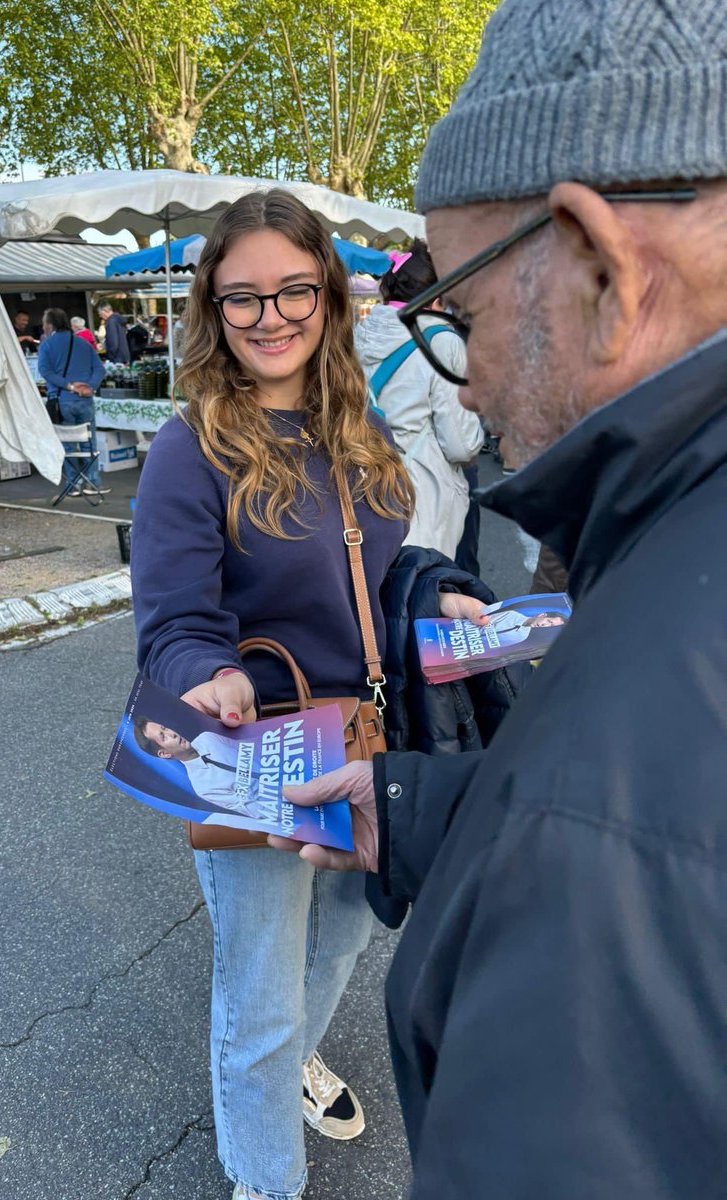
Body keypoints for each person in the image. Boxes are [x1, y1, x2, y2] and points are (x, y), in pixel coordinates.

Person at [268, 2, 727, 1196]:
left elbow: (627, 834)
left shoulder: (601, 810)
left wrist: (533, 824)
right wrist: (443, 809)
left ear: (598, 267)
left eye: (461, 322)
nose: (465, 399)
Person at [131, 189, 483, 1200]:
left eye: (293, 290)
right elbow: (174, 621)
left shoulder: (357, 428)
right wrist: (216, 675)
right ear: (215, 309)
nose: (271, 316)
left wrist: (442, 595)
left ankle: (287, 1071)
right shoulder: (189, 447)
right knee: (262, 994)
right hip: (259, 755)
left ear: (327, 295)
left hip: (365, 745)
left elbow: (383, 575)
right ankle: (264, 1182)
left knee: (343, 939)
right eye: (244, 299)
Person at [354, 240, 483, 560]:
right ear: (437, 298)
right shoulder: (441, 340)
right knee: (429, 596)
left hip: (364, 492)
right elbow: (461, 444)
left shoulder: (359, 334)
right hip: (422, 502)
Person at [133, 716, 272, 820]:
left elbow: (252, 745)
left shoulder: (207, 738)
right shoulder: (203, 787)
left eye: (165, 728)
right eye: (164, 737)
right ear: (164, 753)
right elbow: (254, 810)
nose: (172, 733)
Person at [37, 308, 107, 496]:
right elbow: (100, 370)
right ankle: (92, 483)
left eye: (44, 323)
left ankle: (73, 485)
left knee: (67, 445)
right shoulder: (84, 343)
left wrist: (69, 386)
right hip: (85, 400)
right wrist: (89, 387)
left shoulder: (47, 345)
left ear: (50, 325)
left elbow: (46, 372)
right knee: (88, 442)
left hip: (61, 400)